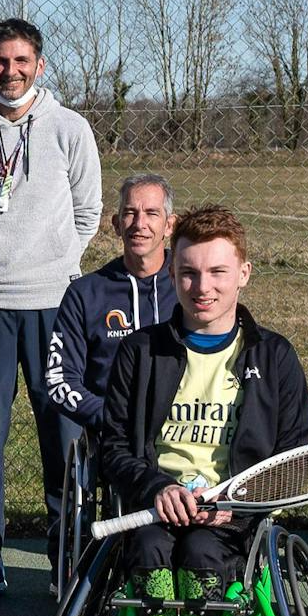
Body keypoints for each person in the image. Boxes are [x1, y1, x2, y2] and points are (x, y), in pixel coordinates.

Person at [86, 206, 308, 616]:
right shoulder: (141, 353)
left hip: (232, 518)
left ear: (244, 274)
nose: (202, 287)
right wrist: (153, 488)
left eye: (216, 273)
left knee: (205, 553)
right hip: (156, 509)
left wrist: (238, 505)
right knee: (151, 546)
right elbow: (112, 447)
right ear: (172, 275)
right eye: (189, 273)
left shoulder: (275, 356)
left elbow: (295, 459)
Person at [0, 18, 104, 602]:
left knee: (63, 437)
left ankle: (70, 565)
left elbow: (88, 211)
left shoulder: (69, 128)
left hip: (55, 304)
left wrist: (52, 264)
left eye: (21, 61)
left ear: (39, 64)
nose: (11, 71)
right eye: (0, 61)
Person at [38, 172, 178, 471]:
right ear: (116, 224)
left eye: (152, 214)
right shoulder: (86, 293)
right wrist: (111, 417)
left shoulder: (190, 287)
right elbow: (59, 379)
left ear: (169, 224)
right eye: (130, 213)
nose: (140, 224)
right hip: (116, 436)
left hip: (183, 427)